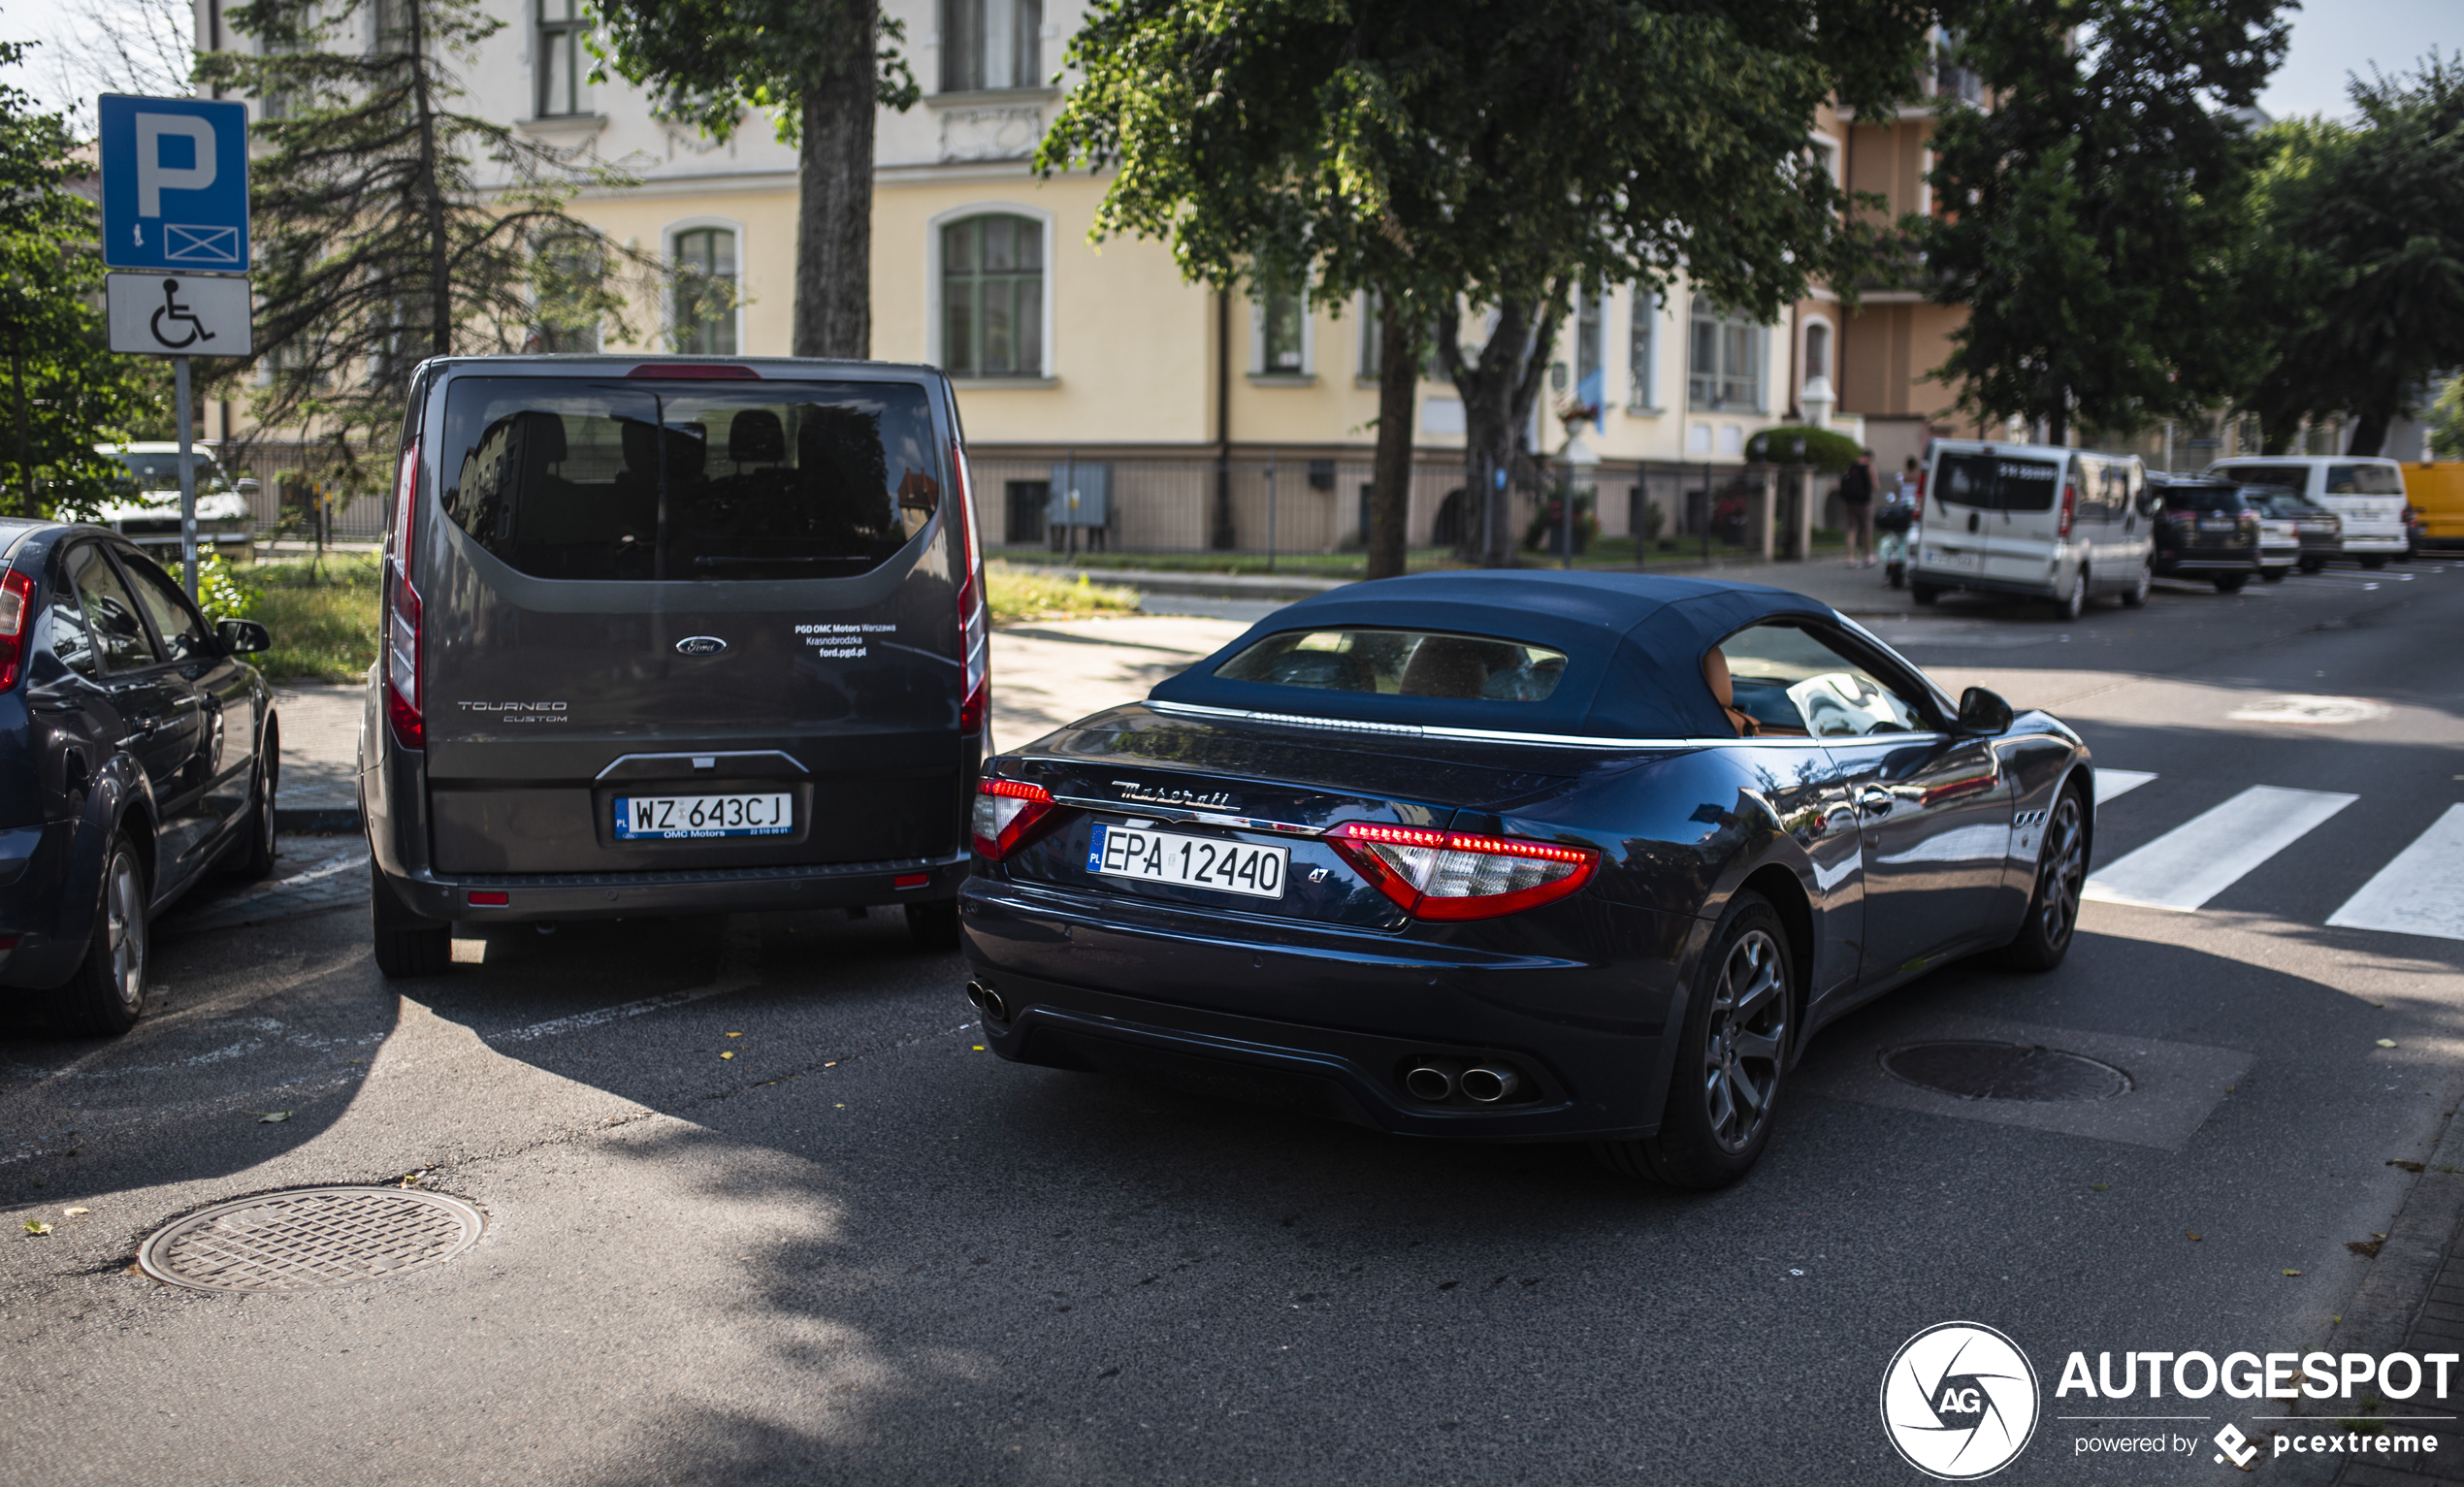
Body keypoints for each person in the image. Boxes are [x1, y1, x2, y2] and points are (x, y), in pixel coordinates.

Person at [1838, 448, 1876, 566]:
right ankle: (1867, 556)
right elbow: (1875, 485)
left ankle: (1850, 558)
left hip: (1850, 502)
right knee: (1867, 529)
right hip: (1864, 503)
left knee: (1852, 529)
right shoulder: (1869, 468)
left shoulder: (1850, 466)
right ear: (1869, 457)